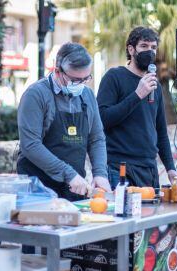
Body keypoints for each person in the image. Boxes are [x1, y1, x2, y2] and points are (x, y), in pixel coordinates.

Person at [17, 42, 111, 201]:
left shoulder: (87, 95)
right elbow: (30, 145)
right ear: (58, 71)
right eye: (75, 80)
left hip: (75, 187)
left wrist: (100, 173)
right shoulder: (36, 95)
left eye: (86, 79)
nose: (80, 84)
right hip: (38, 188)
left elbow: (96, 138)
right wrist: (68, 174)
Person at [97, 26, 177, 189]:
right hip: (119, 168)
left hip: (149, 169)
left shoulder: (154, 84)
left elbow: (161, 131)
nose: (149, 51)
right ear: (131, 49)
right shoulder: (114, 77)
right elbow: (102, 119)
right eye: (144, 46)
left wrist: (170, 168)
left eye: (153, 47)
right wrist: (137, 95)